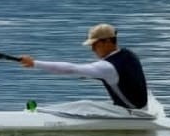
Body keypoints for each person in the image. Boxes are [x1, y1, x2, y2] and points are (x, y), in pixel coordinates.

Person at [20, 23, 155, 113]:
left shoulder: (107, 67)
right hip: (141, 107)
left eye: (94, 44)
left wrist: (35, 63)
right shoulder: (129, 54)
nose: (92, 49)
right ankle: (41, 111)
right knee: (86, 105)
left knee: (84, 105)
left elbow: (71, 69)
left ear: (107, 42)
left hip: (132, 113)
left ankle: (38, 113)